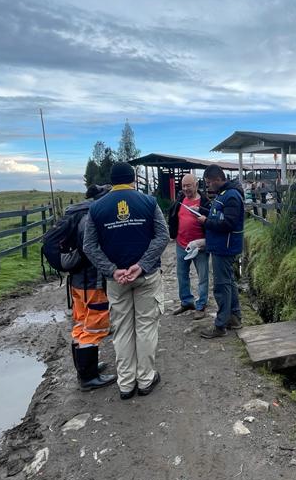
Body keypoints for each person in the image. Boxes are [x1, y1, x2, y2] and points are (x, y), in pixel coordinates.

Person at [82, 162, 169, 399]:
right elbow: (163, 235)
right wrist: (141, 265)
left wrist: (112, 270)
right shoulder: (149, 203)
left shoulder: (97, 208)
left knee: (121, 330)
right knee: (146, 327)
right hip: (146, 276)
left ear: (111, 181)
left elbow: (89, 246)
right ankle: (145, 379)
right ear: (133, 179)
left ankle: (126, 384)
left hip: (116, 280)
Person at [63, 184, 117, 391]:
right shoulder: (91, 217)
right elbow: (92, 250)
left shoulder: (77, 213)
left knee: (80, 322)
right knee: (94, 326)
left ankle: (84, 368)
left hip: (76, 281)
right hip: (91, 282)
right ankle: (88, 377)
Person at [198, 165, 245, 339]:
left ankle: (221, 325)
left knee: (222, 285)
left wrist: (205, 222)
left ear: (218, 179)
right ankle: (234, 317)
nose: (208, 186)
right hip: (221, 246)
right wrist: (204, 213)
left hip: (225, 247)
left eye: (209, 183)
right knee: (229, 282)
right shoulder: (224, 195)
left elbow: (228, 224)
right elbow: (220, 216)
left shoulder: (231, 196)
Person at [167, 173, 210, 320]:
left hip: (199, 246)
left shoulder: (205, 202)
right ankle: (186, 301)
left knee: (203, 276)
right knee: (182, 275)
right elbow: (173, 216)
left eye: (189, 185)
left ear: (196, 185)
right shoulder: (180, 200)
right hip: (181, 244)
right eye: (183, 186)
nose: (186, 188)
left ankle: (201, 305)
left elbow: (211, 220)